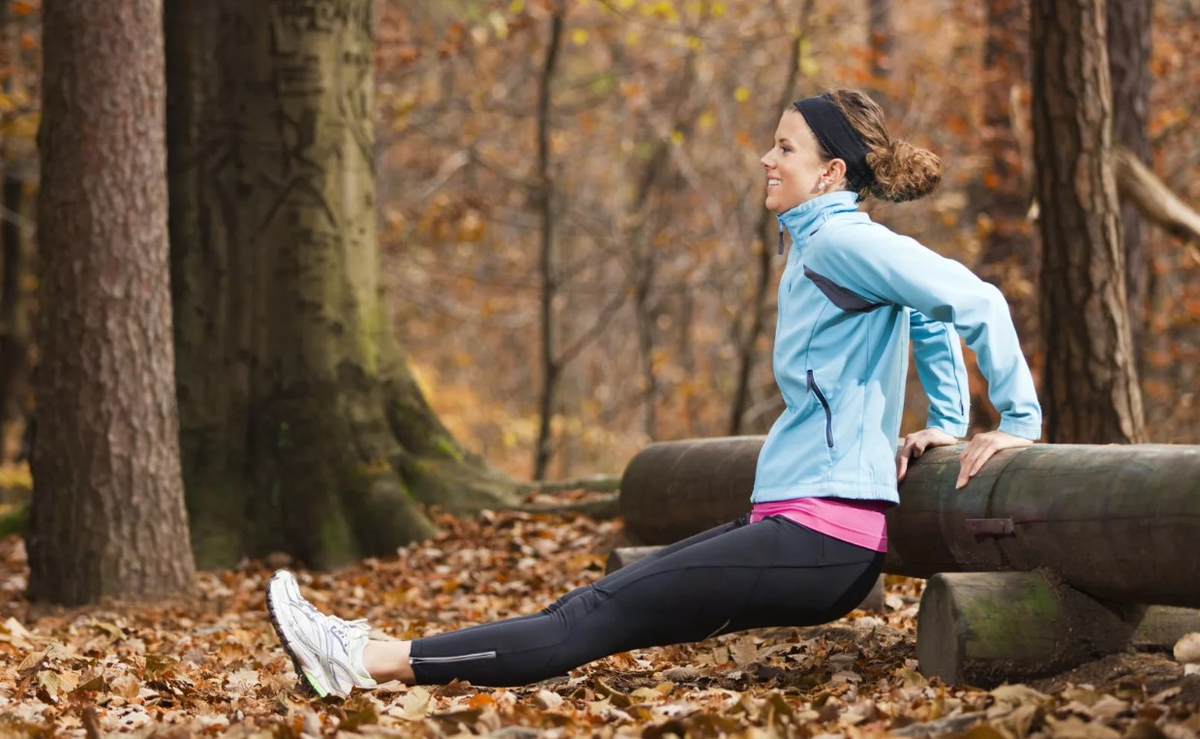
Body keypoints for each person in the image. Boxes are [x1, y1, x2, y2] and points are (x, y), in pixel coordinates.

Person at [266, 89, 1042, 699]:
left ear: (830, 173)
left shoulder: (842, 240)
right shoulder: (823, 243)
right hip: (806, 528)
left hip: (822, 538)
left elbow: (973, 300)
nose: (766, 159)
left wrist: (1017, 420)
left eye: (784, 147)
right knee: (598, 606)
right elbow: (929, 311)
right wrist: (941, 418)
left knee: (591, 615)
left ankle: (366, 660)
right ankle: (364, 655)